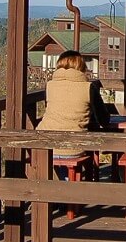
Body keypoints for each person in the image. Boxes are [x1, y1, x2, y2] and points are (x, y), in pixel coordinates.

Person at [35, 51, 107, 179]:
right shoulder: (88, 87)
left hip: (45, 142)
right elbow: (104, 119)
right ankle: (73, 190)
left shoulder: (50, 86)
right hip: (74, 146)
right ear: (81, 66)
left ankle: (54, 191)